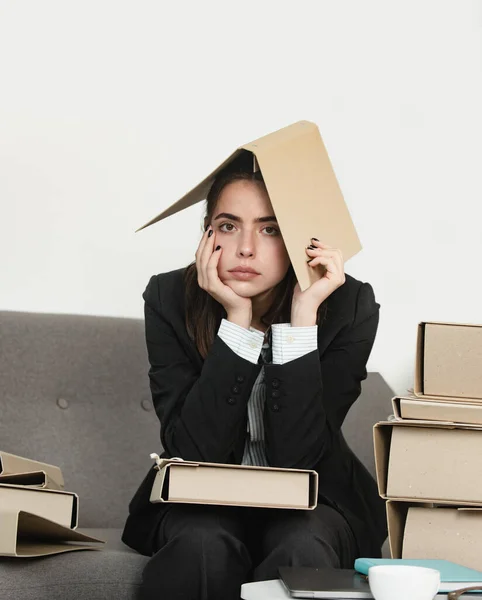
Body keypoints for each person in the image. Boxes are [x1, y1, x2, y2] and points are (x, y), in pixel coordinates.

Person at [122, 152, 387, 600]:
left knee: (301, 546)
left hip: (316, 502)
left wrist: (303, 321)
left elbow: (300, 455)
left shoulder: (350, 307)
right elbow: (191, 449)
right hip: (201, 500)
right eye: (228, 226)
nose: (246, 248)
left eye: (271, 229)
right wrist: (237, 323)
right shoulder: (168, 297)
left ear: (302, 239)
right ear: (207, 234)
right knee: (201, 545)